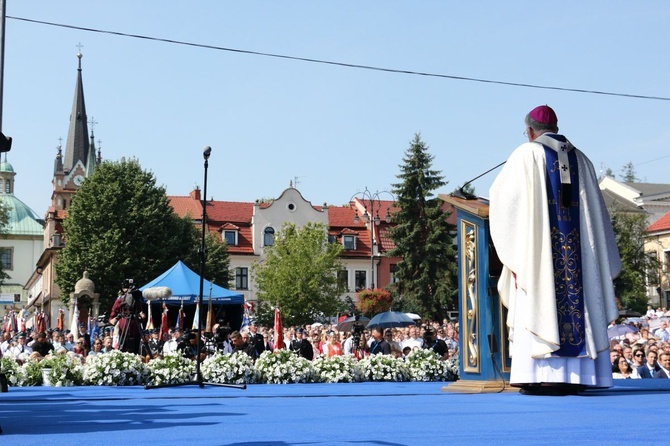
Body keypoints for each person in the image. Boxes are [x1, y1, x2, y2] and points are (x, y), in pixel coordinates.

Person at [489, 105, 622, 395]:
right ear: (556, 127)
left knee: (540, 300)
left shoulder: (526, 154)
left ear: (529, 131)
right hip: (579, 262)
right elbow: (595, 217)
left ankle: (538, 376)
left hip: (541, 260)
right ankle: (580, 376)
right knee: (579, 295)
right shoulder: (582, 160)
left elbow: (502, 200)